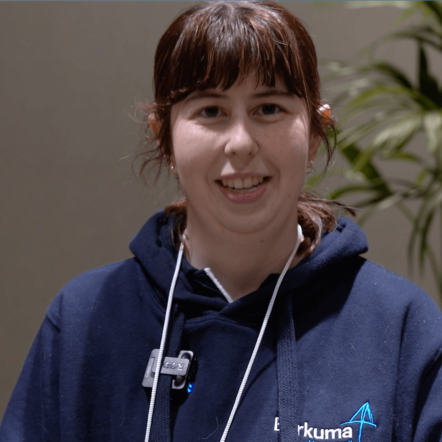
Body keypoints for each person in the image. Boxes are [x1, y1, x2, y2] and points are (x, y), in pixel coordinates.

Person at [1, 2, 442, 441]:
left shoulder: (401, 327)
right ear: (165, 138)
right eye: (211, 111)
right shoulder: (84, 320)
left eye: (268, 108)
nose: (240, 143)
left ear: (313, 134)